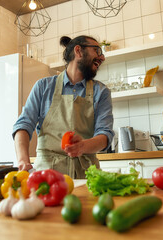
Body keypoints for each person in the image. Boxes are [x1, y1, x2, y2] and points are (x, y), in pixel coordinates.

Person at [12, 35, 114, 178]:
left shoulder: (101, 92)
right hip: (47, 177)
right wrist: (23, 160)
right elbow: (23, 125)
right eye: (97, 51)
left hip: (87, 177)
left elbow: (105, 135)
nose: (102, 58)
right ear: (78, 51)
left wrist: (82, 146)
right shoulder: (43, 87)